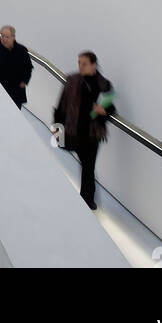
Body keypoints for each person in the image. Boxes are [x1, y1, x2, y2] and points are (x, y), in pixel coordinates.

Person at [53, 52, 116, 210]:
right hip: (74, 130)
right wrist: (56, 129)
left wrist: (104, 111)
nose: (80, 66)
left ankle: (87, 201)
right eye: (79, 62)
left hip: (91, 133)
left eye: (84, 63)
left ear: (94, 64)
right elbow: (61, 106)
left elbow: (111, 106)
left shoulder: (103, 84)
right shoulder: (72, 80)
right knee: (87, 165)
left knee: (88, 166)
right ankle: (87, 201)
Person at [0, 24, 34, 108]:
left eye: (7, 37)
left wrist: (24, 81)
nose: (4, 39)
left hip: (16, 93)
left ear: (13, 37)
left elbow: (28, 68)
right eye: (2, 36)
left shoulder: (22, 51)